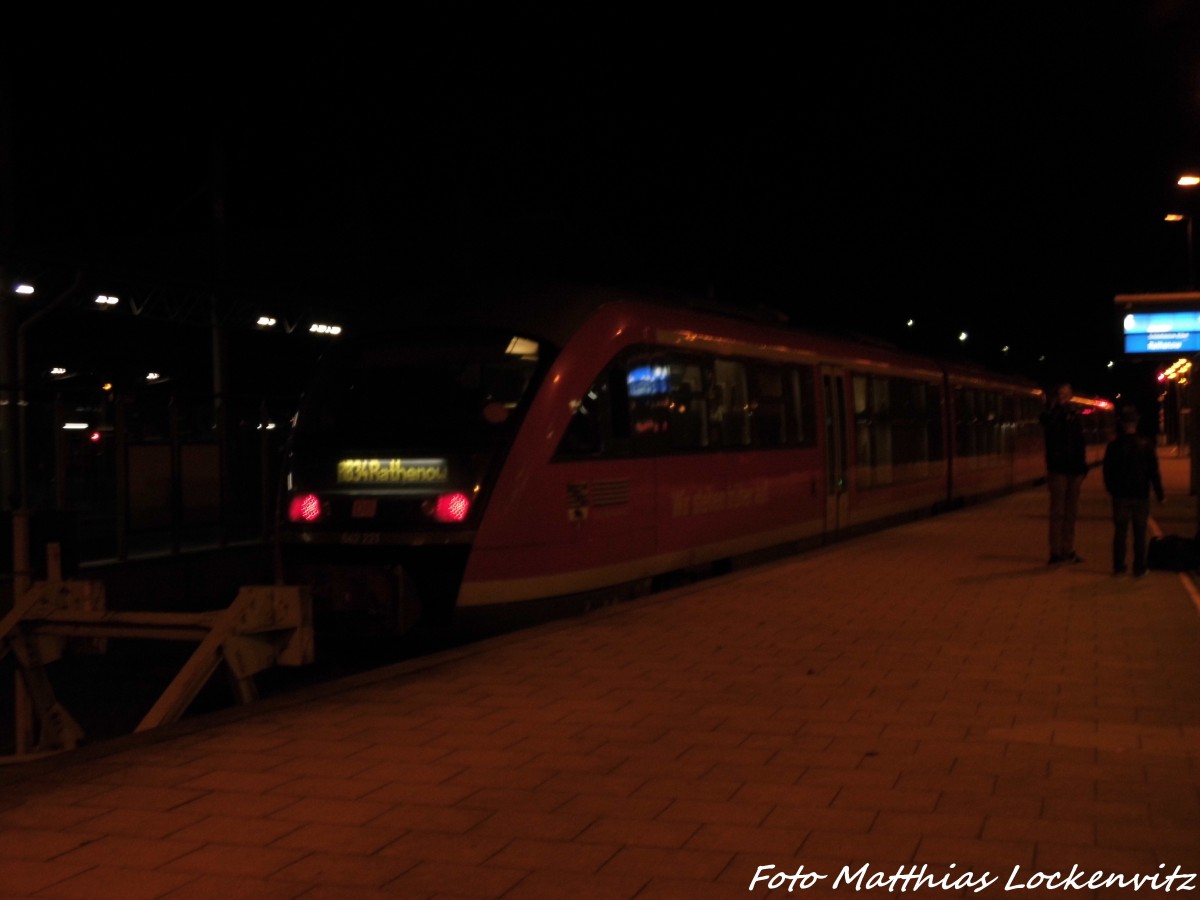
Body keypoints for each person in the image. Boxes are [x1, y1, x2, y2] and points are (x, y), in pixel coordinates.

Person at [1102, 404, 1164, 577]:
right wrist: (1160, 494)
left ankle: (1119, 566)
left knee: (1120, 532)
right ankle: (1139, 567)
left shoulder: (1113, 446)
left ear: (1122, 423)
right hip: (1140, 494)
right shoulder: (1146, 444)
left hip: (1120, 495)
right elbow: (1153, 471)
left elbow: (1107, 472)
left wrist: (1111, 489)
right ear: (1136, 422)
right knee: (1140, 532)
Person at [1039, 382, 1088, 564]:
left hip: (1075, 469)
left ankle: (1068, 549)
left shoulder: (1075, 415)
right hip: (1058, 469)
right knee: (1058, 512)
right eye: (1061, 394)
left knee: (1071, 513)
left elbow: (1080, 441)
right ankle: (1055, 552)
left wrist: (1083, 467)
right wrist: (1057, 409)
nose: (1064, 398)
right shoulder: (1051, 415)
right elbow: (1046, 425)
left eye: (1067, 394)